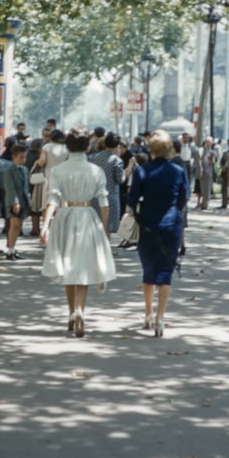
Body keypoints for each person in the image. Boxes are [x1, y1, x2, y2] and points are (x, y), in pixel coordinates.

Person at [40, 127, 116, 338]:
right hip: (88, 216)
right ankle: (80, 310)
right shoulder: (95, 171)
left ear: (67, 145)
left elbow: (53, 198)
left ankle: (71, 312)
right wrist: (105, 225)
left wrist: (45, 225)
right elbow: (103, 201)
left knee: (68, 265)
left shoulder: (58, 171)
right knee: (82, 266)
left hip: (65, 216)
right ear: (87, 146)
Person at [127, 130, 189, 337]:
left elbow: (132, 199)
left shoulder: (142, 171)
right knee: (166, 273)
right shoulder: (178, 171)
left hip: (148, 226)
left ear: (151, 148)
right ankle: (161, 318)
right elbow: (183, 199)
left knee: (149, 270)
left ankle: (148, 313)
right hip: (171, 225)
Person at [88, 132, 125, 234]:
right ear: (117, 145)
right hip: (110, 196)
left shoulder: (93, 157)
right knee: (107, 225)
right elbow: (120, 179)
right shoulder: (117, 161)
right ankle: (106, 248)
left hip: (94, 195)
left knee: (95, 223)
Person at [2, 144, 31, 260]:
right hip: (13, 201)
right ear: (14, 157)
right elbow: (10, 188)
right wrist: (15, 202)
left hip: (24, 200)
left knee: (19, 226)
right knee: (14, 226)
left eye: (24, 157)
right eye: (21, 157)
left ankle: (13, 249)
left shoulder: (24, 169)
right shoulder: (9, 171)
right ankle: (9, 251)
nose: (23, 159)